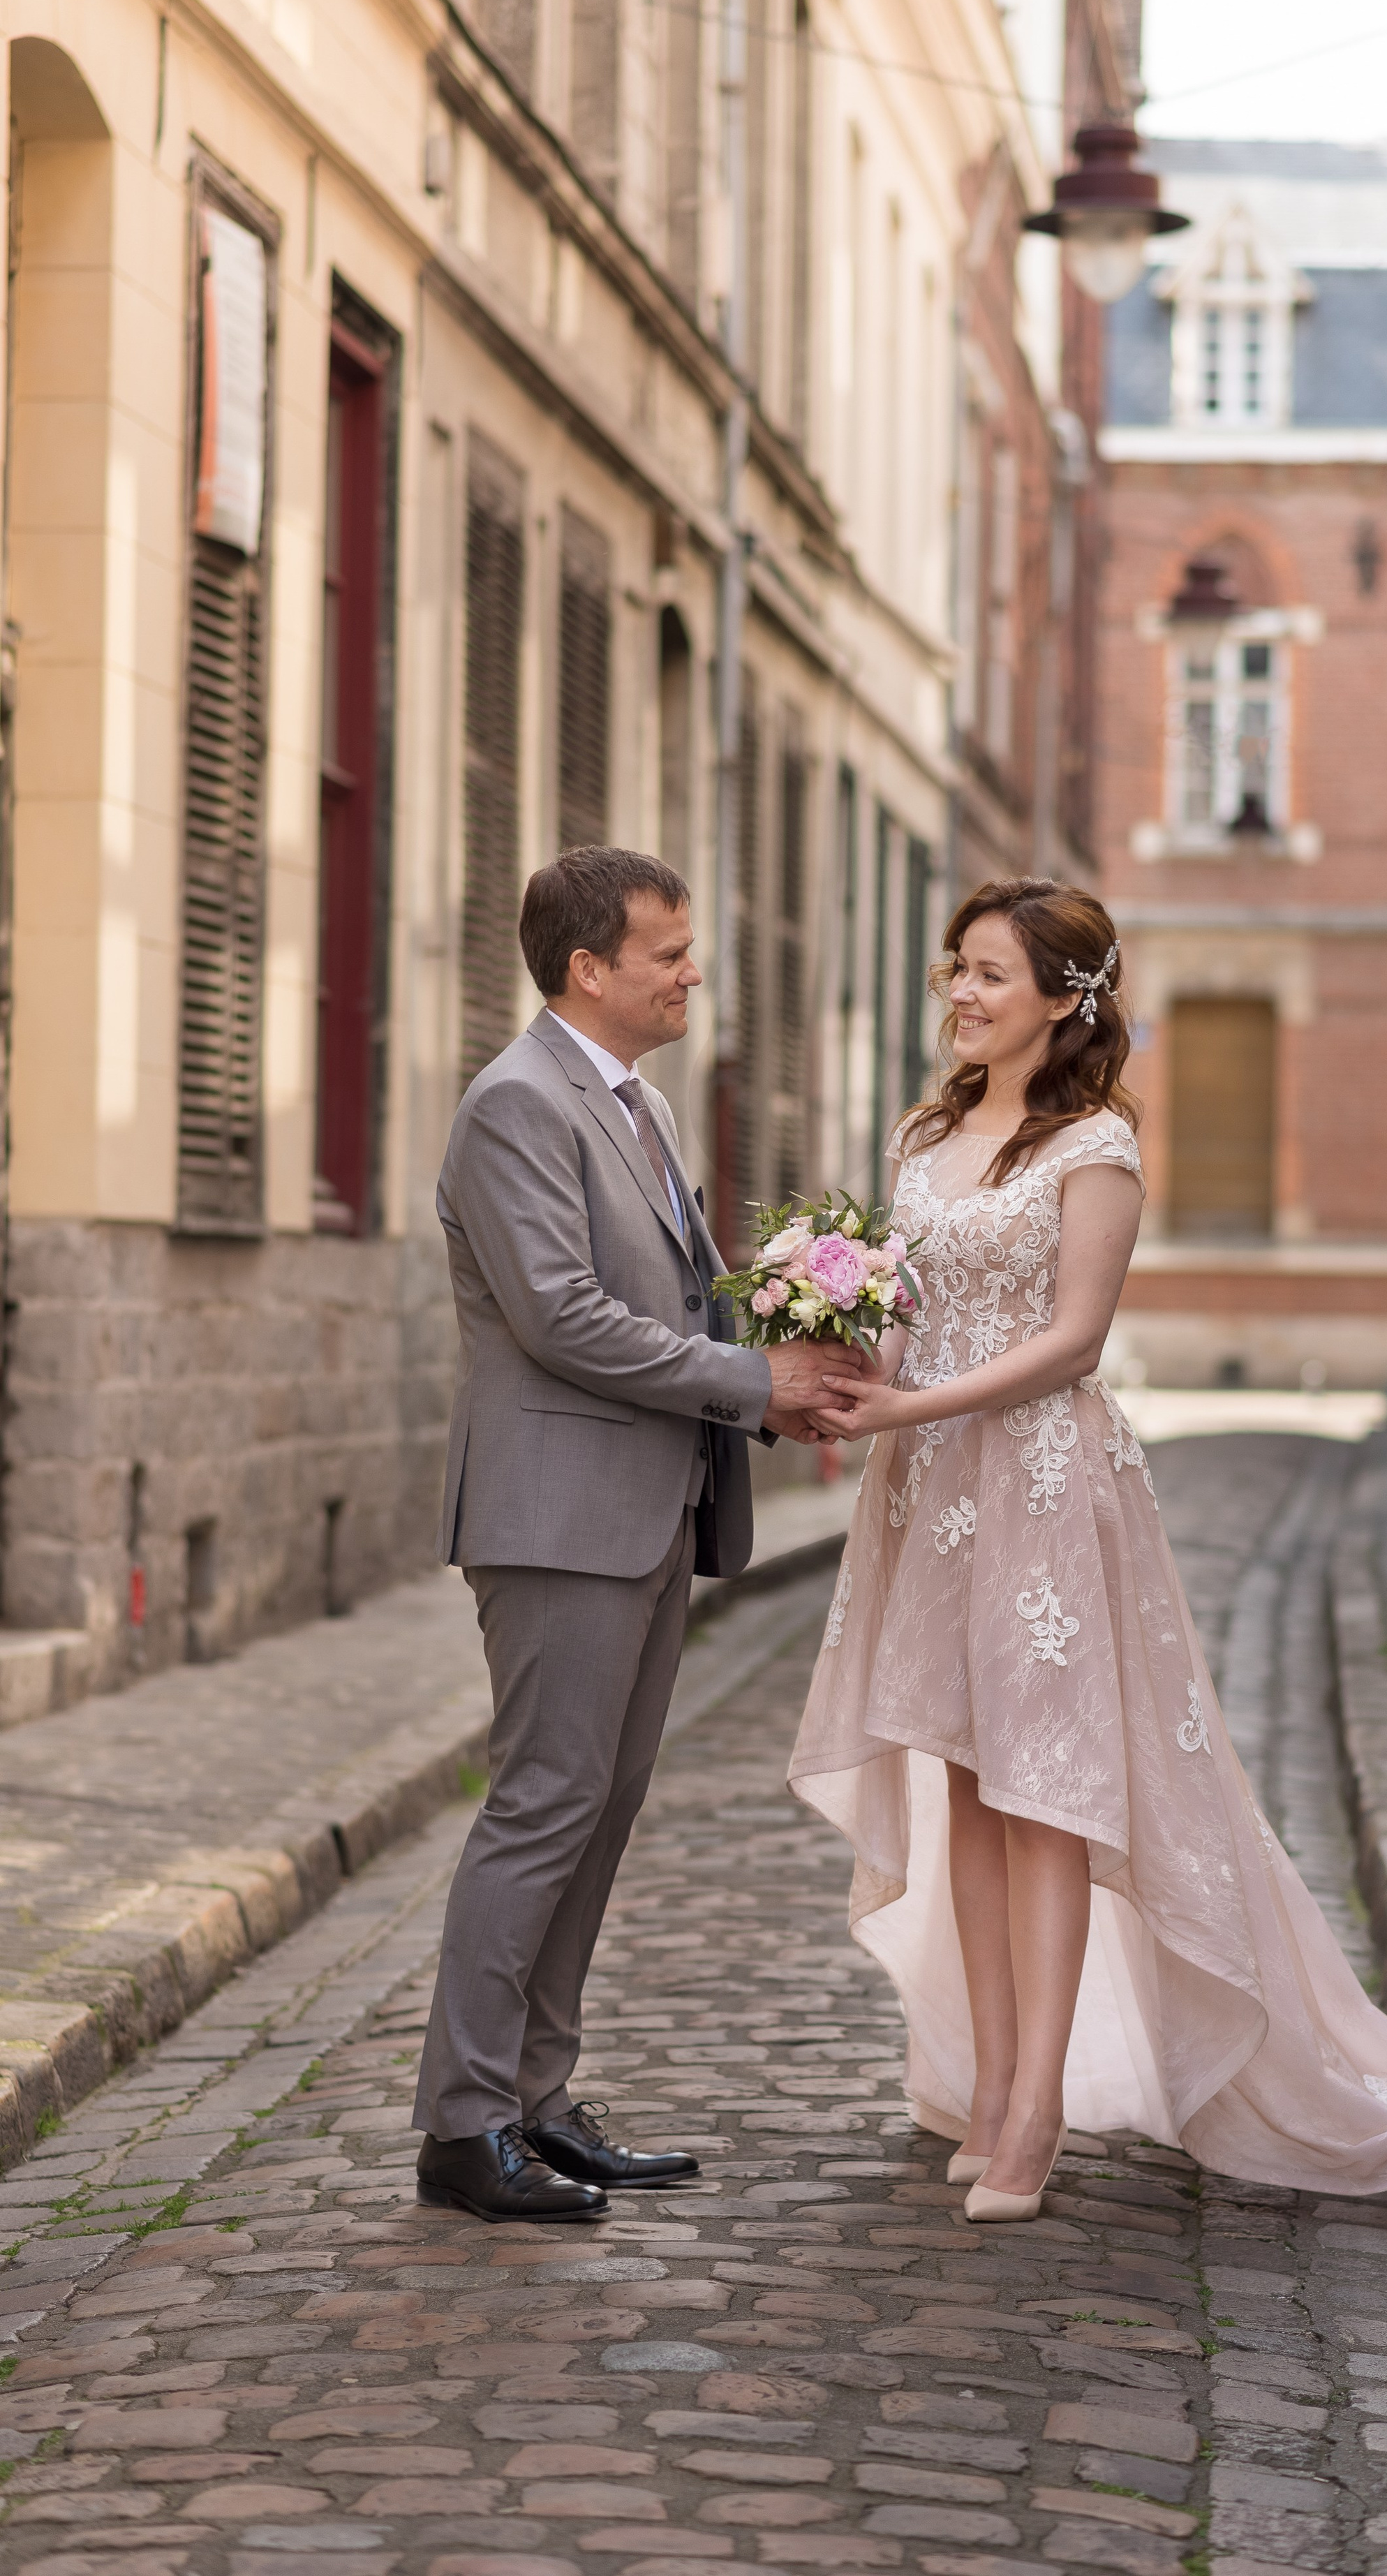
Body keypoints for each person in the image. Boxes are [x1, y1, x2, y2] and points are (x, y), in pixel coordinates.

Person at [792, 876, 1387, 2220]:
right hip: (927, 1492)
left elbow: (1073, 1343)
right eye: (955, 967)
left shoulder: (1096, 1149)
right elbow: (905, 1323)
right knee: (962, 1787)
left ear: (1066, 1000)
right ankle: (989, 2079)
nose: (959, 990)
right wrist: (832, 1370)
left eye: (989, 974)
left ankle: (1034, 2119)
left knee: (1046, 1798)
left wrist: (912, 1404)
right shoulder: (923, 1140)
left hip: (1045, 1488)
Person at [413, 846, 869, 2221]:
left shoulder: (632, 1102)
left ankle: (533, 2096)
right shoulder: (515, 1105)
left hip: (651, 1504)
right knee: (542, 1803)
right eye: (668, 953)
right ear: (587, 970)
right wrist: (752, 1384)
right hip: (557, 1514)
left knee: (598, 1809)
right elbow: (561, 1318)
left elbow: (670, 1303)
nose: (691, 974)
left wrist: (791, 1372)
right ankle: (461, 2121)